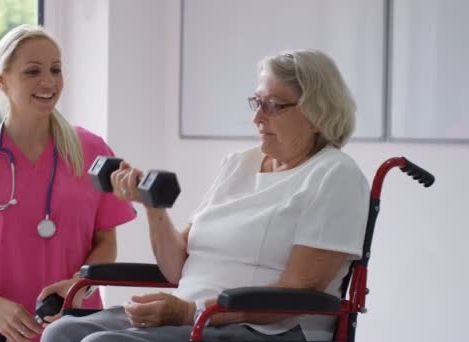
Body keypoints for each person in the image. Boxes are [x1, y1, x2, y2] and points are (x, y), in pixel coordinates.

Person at [40, 49, 370, 342]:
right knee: (61, 333)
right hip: (194, 317)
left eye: (274, 105)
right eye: (257, 102)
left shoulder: (335, 176)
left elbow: (302, 289)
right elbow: (178, 269)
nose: (257, 117)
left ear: (315, 113)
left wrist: (190, 311)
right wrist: (154, 208)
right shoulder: (239, 164)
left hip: (267, 329)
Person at [0, 24, 136, 342]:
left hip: (78, 325)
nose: (48, 81)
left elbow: (106, 241)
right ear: (1, 79)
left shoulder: (91, 151)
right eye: (32, 71)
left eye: (55, 69)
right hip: (0, 328)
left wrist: (78, 285)